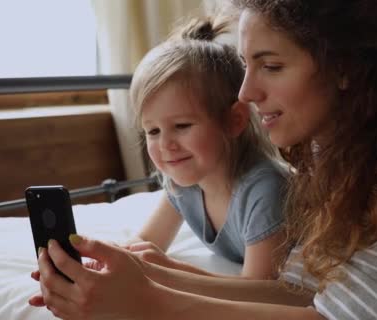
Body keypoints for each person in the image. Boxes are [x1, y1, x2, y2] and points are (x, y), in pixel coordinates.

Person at [29, 1, 377, 319]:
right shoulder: (332, 145)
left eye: (270, 66)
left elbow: (344, 314)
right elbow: (304, 290)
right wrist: (154, 273)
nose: (247, 93)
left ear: (343, 67)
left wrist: (149, 306)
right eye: (247, 66)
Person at [115, 16, 287, 280]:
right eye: (153, 131)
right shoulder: (183, 183)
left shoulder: (264, 190)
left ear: (234, 120)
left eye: (182, 125)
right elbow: (146, 244)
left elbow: (258, 291)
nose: (165, 145)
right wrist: (100, 261)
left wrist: (170, 271)